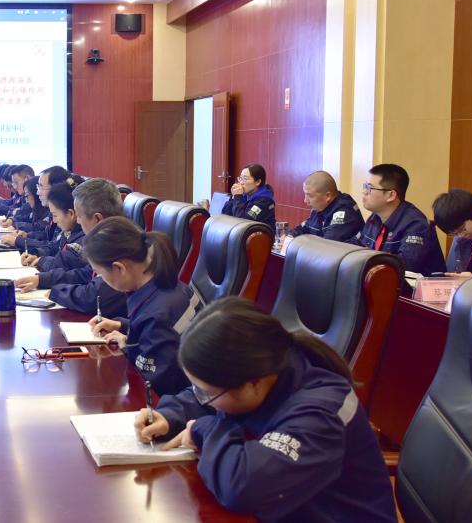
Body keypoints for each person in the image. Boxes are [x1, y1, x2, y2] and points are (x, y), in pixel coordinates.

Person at [137, 297, 397, 522]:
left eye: (206, 392)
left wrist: (204, 429)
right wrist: (171, 416)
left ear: (254, 383)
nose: (201, 397)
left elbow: (243, 488)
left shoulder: (320, 413)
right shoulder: (268, 368)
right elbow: (213, 398)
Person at [85, 218, 199, 396]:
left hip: (175, 401)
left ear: (119, 268)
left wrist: (126, 347)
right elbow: (166, 339)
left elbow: (153, 382)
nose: (101, 280)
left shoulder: (156, 314)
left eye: (100, 273)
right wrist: (123, 326)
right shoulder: (167, 286)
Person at [14, 178, 128, 318]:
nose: (78, 221)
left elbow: (93, 297)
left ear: (97, 219)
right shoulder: (109, 238)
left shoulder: (118, 246)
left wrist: (56, 293)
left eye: (79, 216)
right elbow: (85, 274)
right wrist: (42, 280)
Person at [355, 163, 445, 275]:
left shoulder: (416, 224)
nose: (364, 192)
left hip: (413, 285)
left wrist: (367, 257)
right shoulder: (375, 217)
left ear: (391, 195)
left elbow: (406, 266)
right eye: (365, 186)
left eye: (369, 188)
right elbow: (357, 245)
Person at [290, 171, 364, 243]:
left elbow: (327, 245)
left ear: (328, 196)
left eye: (310, 196)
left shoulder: (344, 210)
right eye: (305, 194)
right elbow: (303, 229)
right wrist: (289, 237)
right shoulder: (319, 207)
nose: (305, 200)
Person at [22, 181, 84, 264]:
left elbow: (63, 262)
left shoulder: (82, 239)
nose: (54, 220)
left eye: (55, 215)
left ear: (71, 213)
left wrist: (41, 261)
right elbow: (53, 246)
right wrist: (36, 253)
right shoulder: (67, 231)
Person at [432, 188, 472, 276]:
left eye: (462, 229)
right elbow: (453, 272)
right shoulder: (460, 238)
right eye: (455, 234)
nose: (461, 235)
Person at [222, 163, 276, 229]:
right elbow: (225, 214)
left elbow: (243, 222)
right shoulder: (244, 195)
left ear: (258, 182)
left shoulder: (265, 201)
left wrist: (238, 197)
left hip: (260, 234)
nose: (241, 182)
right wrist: (234, 197)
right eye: (240, 178)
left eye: (245, 178)